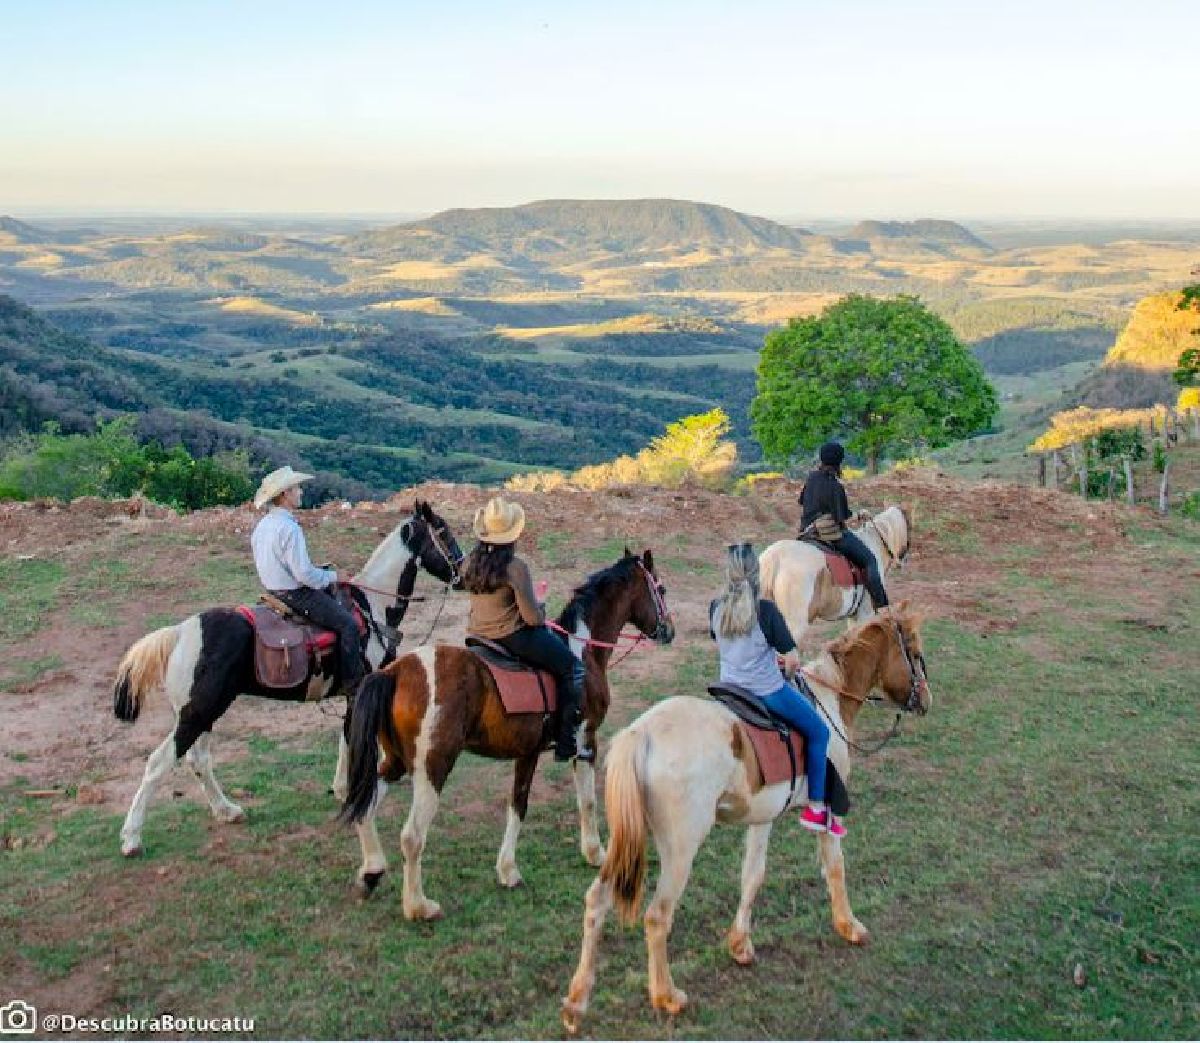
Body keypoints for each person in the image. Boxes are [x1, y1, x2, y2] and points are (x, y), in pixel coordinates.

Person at [710, 542, 845, 836]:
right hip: (766, 691)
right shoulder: (766, 611)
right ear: (756, 573)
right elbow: (794, 661)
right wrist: (784, 665)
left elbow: (727, 644)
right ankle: (817, 808)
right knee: (819, 732)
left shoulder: (715, 608)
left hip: (728, 688)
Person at [462, 496, 588, 762]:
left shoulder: (468, 563)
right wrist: (541, 607)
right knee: (572, 667)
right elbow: (531, 619)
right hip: (513, 636)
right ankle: (566, 741)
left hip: (477, 636)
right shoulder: (515, 568)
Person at [250, 466, 366, 695]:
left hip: (273, 592)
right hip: (297, 594)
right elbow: (304, 575)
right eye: (296, 488)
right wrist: (335, 576)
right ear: (284, 495)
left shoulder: (262, 526)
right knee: (348, 624)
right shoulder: (289, 529)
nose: (301, 492)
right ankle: (354, 684)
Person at [799, 441, 890, 611]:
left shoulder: (811, 478)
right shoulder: (835, 485)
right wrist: (860, 514)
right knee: (870, 560)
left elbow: (802, 501)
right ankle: (883, 608)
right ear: (838, 462)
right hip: (829, 534)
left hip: (807, 531)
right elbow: (842, 516)